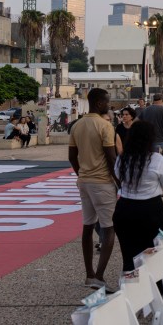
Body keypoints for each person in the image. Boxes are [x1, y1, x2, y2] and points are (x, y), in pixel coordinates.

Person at [112, 119, 163, 279]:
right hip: (149, 210)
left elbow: (118, 176)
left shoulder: (122, 158)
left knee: (129, 255)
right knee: (152, 254)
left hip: (125, 208)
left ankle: (129, 292)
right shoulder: (155, 158)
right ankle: (154, 291)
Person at [68, 88, 119, 292]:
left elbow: (72, 157)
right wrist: (121, 184)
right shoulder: (105, 126)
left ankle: (89, 274)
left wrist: (81, 173)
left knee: (87, 226)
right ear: (99, 103)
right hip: (103, 183)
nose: (109, 105)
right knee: (108, 228)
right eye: (107, 102)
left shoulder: (77, 126)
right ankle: (99, 276)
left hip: (85, 182)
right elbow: (112, 158)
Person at [139, 94, 163, 166]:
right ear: (162, 100)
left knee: (150, 163)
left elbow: (135, 122)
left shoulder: (145, 110)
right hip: (161, 140)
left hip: (147, 141)